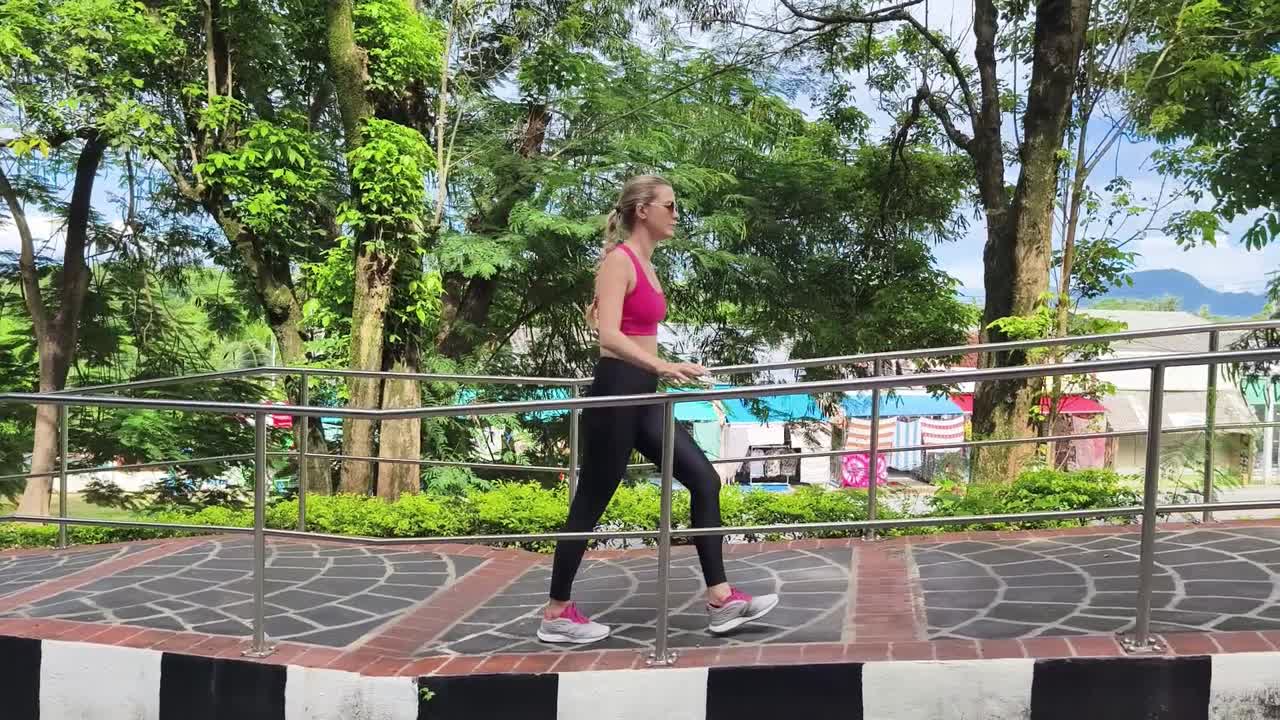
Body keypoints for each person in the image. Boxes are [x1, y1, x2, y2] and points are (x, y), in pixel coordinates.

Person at [538, 175, 779, 645]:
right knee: (591, 500)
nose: (676, 213)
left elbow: (637, 330)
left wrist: (662, 370)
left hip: (645, 393)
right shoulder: (618, 261)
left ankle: (720, 599)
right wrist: (664, 365)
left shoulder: (647, 265)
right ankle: (556, 612)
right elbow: (608, 336)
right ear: (642, 211)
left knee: (704, 479)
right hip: (617, 392)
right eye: (669, 205)